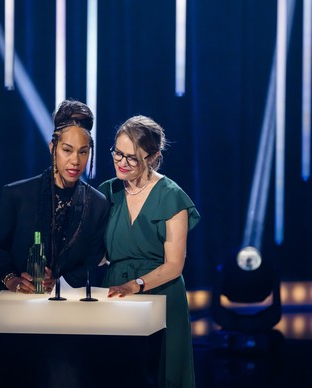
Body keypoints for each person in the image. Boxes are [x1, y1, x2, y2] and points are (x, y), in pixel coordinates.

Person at [0, 98, 110, 371]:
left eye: (83, 152)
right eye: (67, 150)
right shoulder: (17, 194)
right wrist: (12, 279)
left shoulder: (98, 204)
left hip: (68, 322)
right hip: (17, 314)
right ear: (53, 148)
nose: (75, 161)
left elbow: (94, 262)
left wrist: (59, 282)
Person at [98, 115, 200, 387]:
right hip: (116, 292)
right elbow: (99, 253)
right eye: (117, 153)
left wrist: (135, 285)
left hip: (161, 293)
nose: (121, 162)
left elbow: (174, 265)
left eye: (132, 158)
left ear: (153, 157)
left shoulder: (171, 195)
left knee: (161, 375)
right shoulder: (107, 192)